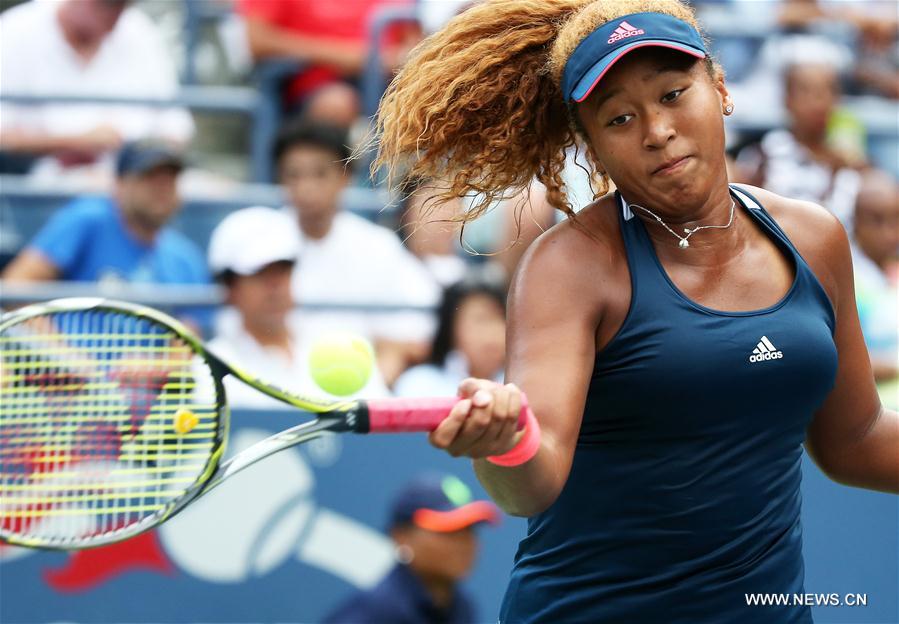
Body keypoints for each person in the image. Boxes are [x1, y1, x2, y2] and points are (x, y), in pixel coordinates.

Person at [372, 1, 899, 622]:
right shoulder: (570, 266)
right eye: (619, 117)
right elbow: (533, 481)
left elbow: (856, 440)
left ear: (721, 88)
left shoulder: (814, 238)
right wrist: (503, 443)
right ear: (592, 151)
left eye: (674, 94)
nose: (656, 130)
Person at [274, 120, 440, 386]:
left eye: (319, 173)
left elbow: (415, 333)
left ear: (345, 177)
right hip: (278, 383)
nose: (305, 187)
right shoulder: (263, 244)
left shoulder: (378, 246)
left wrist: (374, 386)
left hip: (366, 389)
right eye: (293, 175)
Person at [205, 206, 389, 408]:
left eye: (283, 270)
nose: (275, 286)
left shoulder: (339, 346)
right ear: (230, 288)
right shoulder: (207, 368)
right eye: (260, 273)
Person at [0, 0, 193, 185]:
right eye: (107, 2)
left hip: (137, 182)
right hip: (39, 183)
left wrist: (137, 158)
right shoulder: (15, 30)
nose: (115, 13)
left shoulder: (140, 29)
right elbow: (4, 136)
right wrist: (75, 143)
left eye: (122, 3)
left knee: (210, 191)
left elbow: (176, 128)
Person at [2, 140, 207, 289]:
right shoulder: (87, 218)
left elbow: (189, 335)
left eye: (170, 180)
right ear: (119, 185)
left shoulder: (186, 258)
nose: (161, 189)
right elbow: (15, 287)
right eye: (150, 178)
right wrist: (60, 348)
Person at [323, 474, 500, 624]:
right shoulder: (374, 613)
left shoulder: (462, 608)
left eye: (469, 532)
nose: (465, 545)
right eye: (448, 532)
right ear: (401, 537)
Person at [237, 0, 420, 128]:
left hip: (388, 84)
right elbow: (258, 41)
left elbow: (414, 40)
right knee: (336, 104)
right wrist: (353, 57)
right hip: (308, 86)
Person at [733, 55, 863, 225]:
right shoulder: (762, 159)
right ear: (786, 99)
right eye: (806, 92)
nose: (819, 102)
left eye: (828, 91)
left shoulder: (849, 164)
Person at [395, 278, 507, 397]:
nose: (492, 332)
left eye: (500, 318)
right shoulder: (418, 383)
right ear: (451, 327)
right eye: (481, 320)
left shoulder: (519, 383)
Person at [849, 170, 899, 384]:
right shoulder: (846, 279)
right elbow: (842, 361)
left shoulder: (893, 269)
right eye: (876, 221)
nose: (890, 233)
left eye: (896, 219)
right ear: (855, 222)